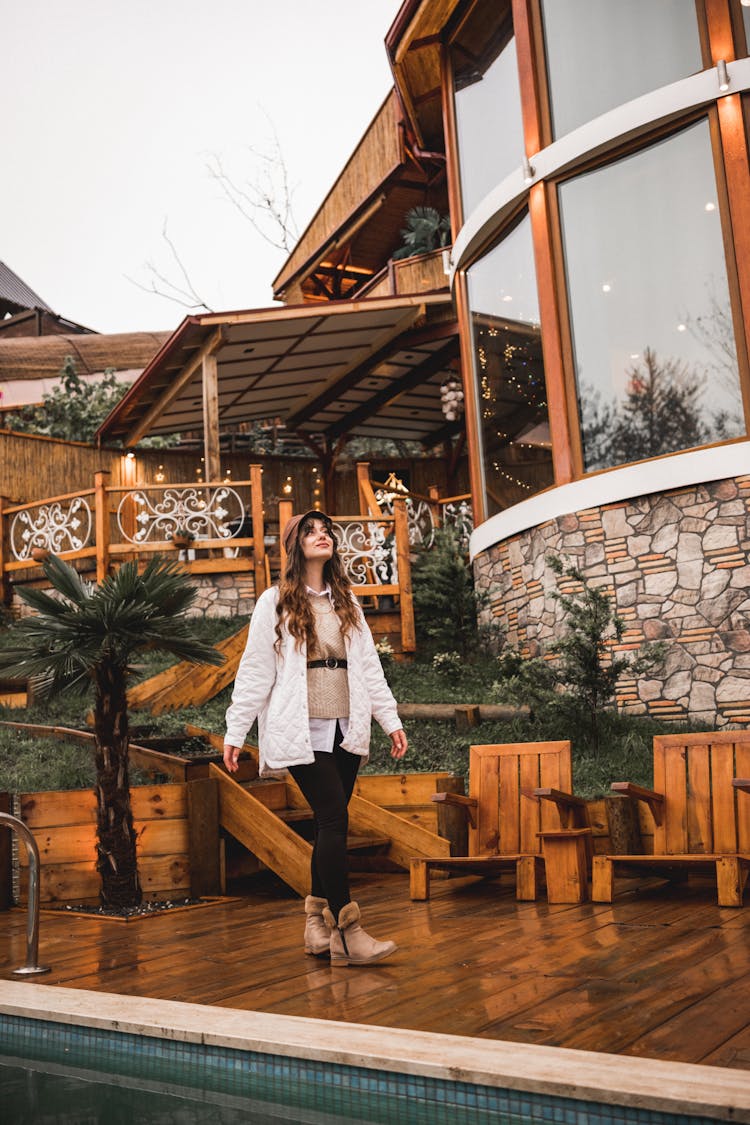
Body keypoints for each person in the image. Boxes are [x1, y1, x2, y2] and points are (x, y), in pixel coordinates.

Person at [223, 509, 408, 966]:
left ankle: (314, 928)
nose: (321, 536)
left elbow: (369, 668)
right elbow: (255, 671)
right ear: (294, 545)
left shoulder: (347, 601)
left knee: (332, 824)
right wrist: (235, 728)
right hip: (301, 730)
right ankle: (349, 931)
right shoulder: (276, 602)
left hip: (344, 729)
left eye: (326, 532)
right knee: (333, 822)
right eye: (310, 532)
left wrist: (391, 720)